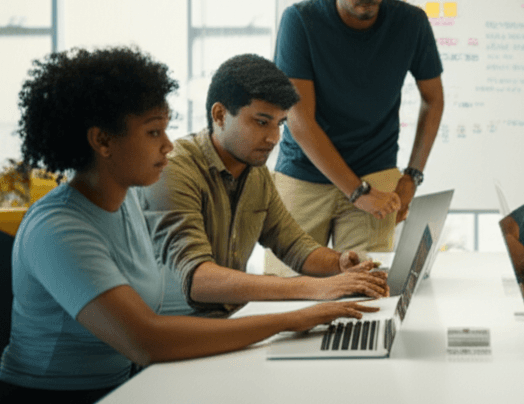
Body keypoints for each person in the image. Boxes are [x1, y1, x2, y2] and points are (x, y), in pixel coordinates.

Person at [0, 47, 377, 404]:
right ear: (102, 141)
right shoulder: (58, 228)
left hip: (119, 393)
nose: (168, 145)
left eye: (165, 129)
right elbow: (146, 341)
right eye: (152, 132)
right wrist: (291, 318)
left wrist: (333, 272)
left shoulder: (127, 201)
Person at [142, 54, 389, 317]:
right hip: (178, 331)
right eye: (261, 122)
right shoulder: (174, 169)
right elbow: (197, 280)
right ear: (220, 115)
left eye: (280, 123)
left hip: (230, 320)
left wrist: (339, 265)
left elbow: (294, 245)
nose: (274, 138)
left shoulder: (255, 173)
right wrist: (313, 287)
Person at [273, 0, 444, 254]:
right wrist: (355, 191)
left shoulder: (411, 23)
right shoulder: (300, 21)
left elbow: (433, 99)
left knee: (367, 292)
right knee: (290, 290)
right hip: (305, 174)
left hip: (377, 172)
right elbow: (299, 120)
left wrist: (412, 176)